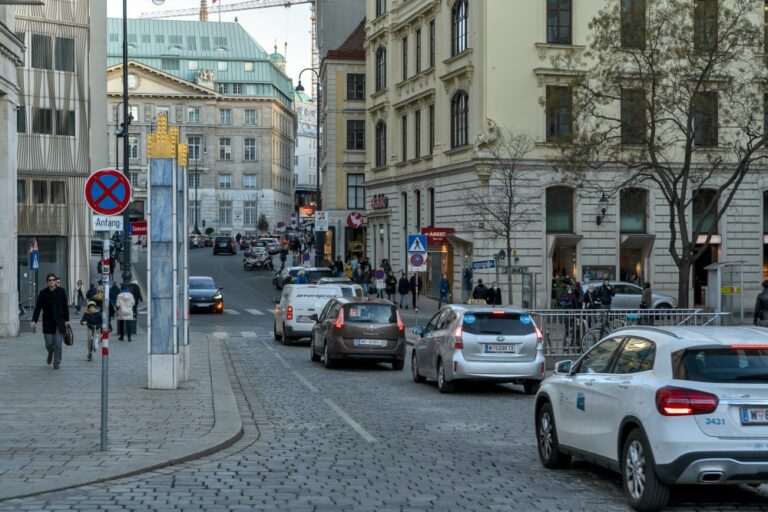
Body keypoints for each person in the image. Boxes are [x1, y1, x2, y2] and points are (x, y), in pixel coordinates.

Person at [31, 273, 70, 369]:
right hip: (47, 322)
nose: (52, 282)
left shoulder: (61, 291)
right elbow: (38, 308)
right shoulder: (43, 293)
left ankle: (57, 361)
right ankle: (50, 352)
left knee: (58, 342)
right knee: (49, 343)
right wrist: (34, 320)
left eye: (53, 280)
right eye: (50, 280)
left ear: (55, 281)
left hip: (59, 321)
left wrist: (67, 320)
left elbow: (65, 306)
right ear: (47, 282)